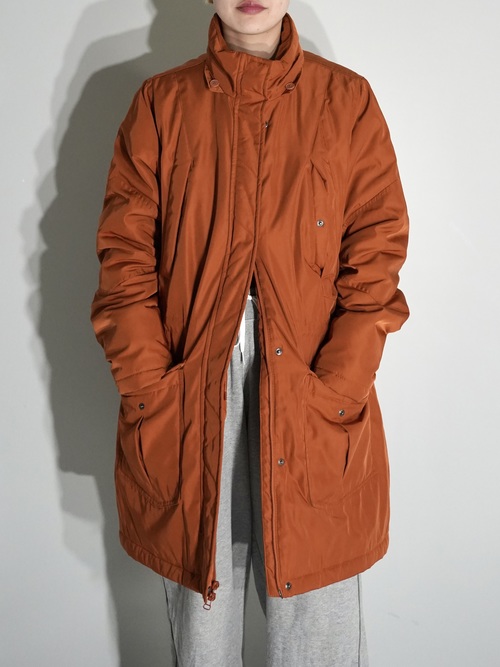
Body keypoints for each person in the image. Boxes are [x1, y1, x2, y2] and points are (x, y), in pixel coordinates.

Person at [91, 0, 409, 664]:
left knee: (318, 640)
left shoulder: (346, 101)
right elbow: (124, 259)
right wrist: (148, 384)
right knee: (203, 640)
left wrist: (341, 383)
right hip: (191, 402)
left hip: (314, 398)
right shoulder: (161, 103)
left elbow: (376, 254)